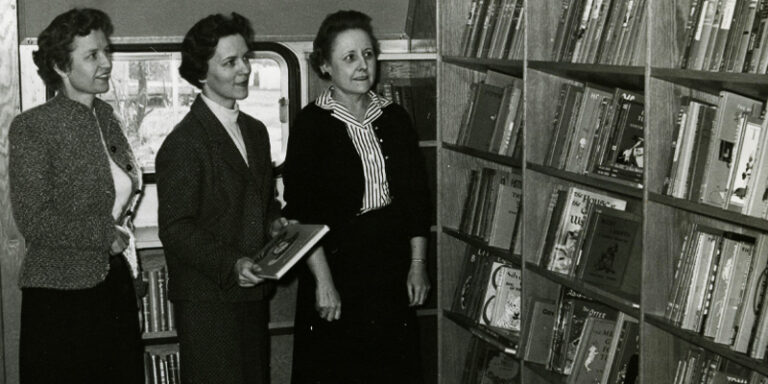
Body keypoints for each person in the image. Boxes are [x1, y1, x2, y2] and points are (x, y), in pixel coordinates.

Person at [284, 10, 432, 384]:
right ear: (324, 65)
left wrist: (417, 264)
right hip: (335, 266)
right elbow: (304, 214)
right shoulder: (311, 126)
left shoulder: (395, 118)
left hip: (389, 266)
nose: (363, 65)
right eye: (349, 57)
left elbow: (415, 199)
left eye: (368, 54)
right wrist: (324, 283)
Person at [8, 8, 144, 383]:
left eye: (106, 52)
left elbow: (120, 202)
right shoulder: (32, 128)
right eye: (92, 55)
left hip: (113, 286)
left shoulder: (108, 118)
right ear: (60, 66)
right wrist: (104, 235)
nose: (106, 63)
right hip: (61, 297)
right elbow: (34, 221)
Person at [155, 12, 286, 384]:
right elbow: (177, 229)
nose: (244, 69)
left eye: (246, 57)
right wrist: (232, 264)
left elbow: (262, 202)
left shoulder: (256, 131)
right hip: (208, 302)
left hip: (250, 294)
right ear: (201, 74)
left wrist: (275, 223)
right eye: (230, 62)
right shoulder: (184, 143)